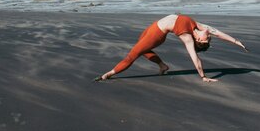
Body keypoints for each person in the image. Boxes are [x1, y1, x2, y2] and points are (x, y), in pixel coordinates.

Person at [95, 14, 249, 83]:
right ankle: (162, 65)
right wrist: (237, 41)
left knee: (133, 54)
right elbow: (220, 33)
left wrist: (203, 76)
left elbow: (195, 57)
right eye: (208, 38)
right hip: (154, 26)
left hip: (157, 34)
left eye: (207, 39)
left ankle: (108, 74)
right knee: (141, 49)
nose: (208, 36)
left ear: (198, 40)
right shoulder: (202, 27)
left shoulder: (188, 37)